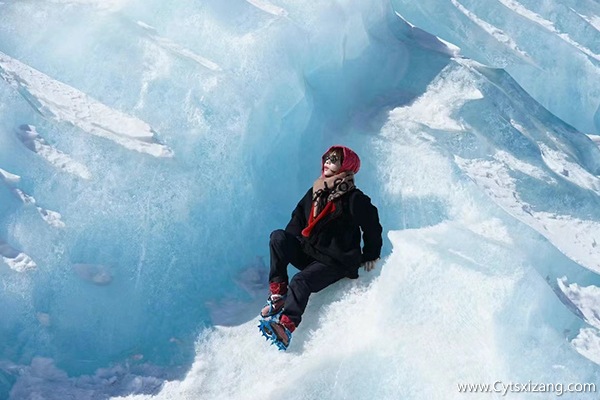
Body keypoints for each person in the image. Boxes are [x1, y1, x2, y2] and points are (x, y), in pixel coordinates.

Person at [259, 145, 383, 349]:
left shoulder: (354, 198)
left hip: (336, 261)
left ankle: (286, 327)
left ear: (345, 166)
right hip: (312, 253)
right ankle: (279, 296)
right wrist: (291, 245)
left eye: (334, 159)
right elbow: (297, 219)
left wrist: (371, 255)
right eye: (327, 157)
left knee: (300, 281)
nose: (327, 161)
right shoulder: (316, 191)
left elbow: (372, 225)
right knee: (278, 238)